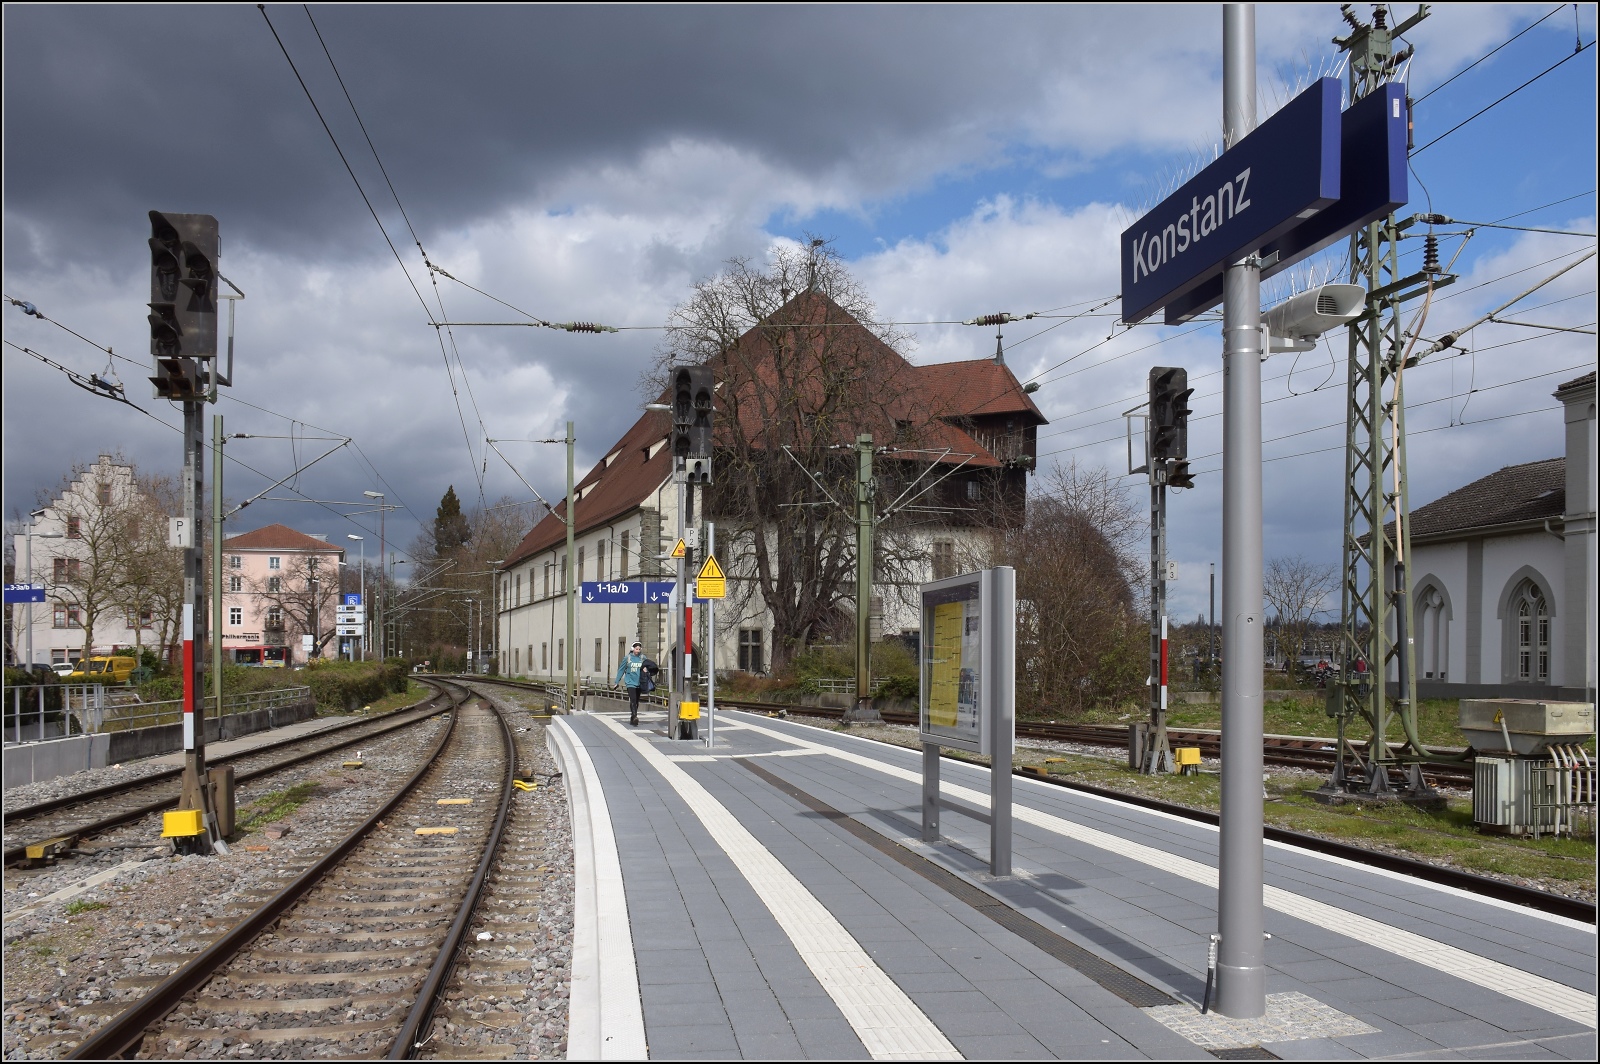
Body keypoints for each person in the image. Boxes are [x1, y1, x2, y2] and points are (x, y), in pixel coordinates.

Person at [613, 640, 658, 727]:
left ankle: (633, 716)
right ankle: (635, 717)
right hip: (630, 682)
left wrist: (646, 670)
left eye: (639, 649)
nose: (638, 651)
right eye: (636, 649)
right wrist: (616, 682)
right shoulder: (627, 658)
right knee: (633, 700)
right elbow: (621, 670)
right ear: (633, 649)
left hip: (639, 682)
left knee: (637, 701)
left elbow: (649, 666)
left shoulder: (642, 658)